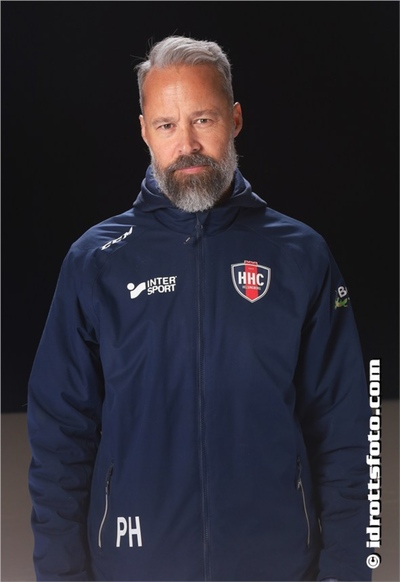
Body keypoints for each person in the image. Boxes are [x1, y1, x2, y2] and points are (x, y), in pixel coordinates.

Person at [27, 35, 372, 582]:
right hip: (134, 567)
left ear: (235, 119)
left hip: (279, 567)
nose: (186, 143)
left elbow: (351, 428)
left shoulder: (301, 255)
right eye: (166, 125)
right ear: (144, 131)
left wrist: (351, 570)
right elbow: (58, 437)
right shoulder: (94, 262)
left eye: (203, 119)